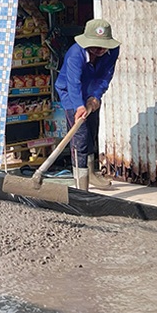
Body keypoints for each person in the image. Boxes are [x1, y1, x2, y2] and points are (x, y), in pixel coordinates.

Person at [54, 18, 120, 192]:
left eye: (102, 47)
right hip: (71, 94)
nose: (99, 50)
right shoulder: (75, 54)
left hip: (91, 93)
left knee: (91, 133)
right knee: (80, 139)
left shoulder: (112, 51)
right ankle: (80, 185)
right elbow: (73, 82)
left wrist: (96, 96)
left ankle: (90, 174)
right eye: (94, 47)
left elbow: (106, 75)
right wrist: (78, 106)